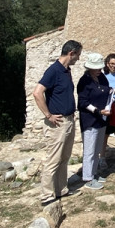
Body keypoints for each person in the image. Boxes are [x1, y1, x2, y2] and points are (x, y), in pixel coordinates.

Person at [33, 40, 83, 207]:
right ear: (71, 53)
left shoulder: (66, 71)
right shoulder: (53, 70)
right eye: (78, 55)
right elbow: (37, 92)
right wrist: (48, 115)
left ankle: (61, 188)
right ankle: (47, 194)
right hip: (58, 122)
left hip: (69, 119)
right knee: (53, 159)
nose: (78, 58)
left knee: (64, 157)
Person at [77, 53, 112, 190]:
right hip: (90, 119)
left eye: (100, 68)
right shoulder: (84, 81)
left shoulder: (102, 77)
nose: (99, 70)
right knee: (89, 150)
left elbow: (105, 90)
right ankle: (87, 177)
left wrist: (110, 92)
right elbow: (83, 102)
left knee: (97, 149)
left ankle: (94, 172)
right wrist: (97, 111)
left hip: (101, 119)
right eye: (96, 68)